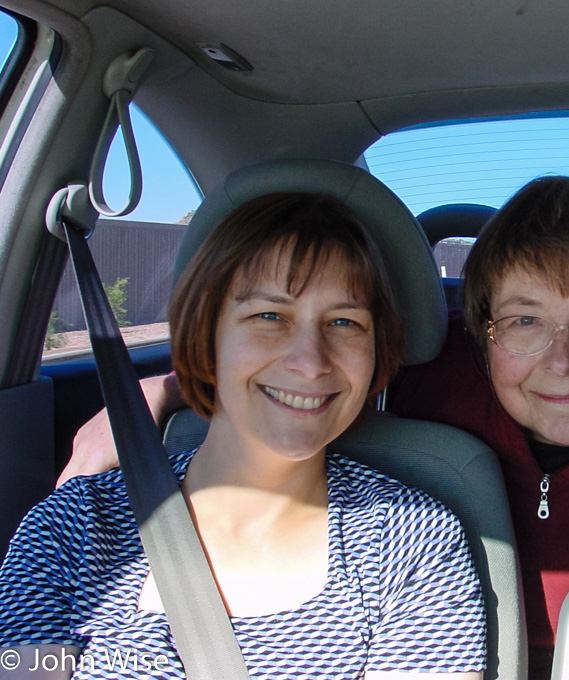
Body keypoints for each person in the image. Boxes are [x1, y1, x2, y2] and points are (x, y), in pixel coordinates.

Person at [63, 177, 569, 679]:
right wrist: (162, 390)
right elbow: (304, 372)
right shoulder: (432, 372)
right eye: (524, 321)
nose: (561, 360)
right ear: (482, 336)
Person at [0, 192, 486, 679]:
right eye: (269, 317)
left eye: (344, 322)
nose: (311, 361)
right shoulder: (71, 529)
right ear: (206, 335)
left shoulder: (411, 544)